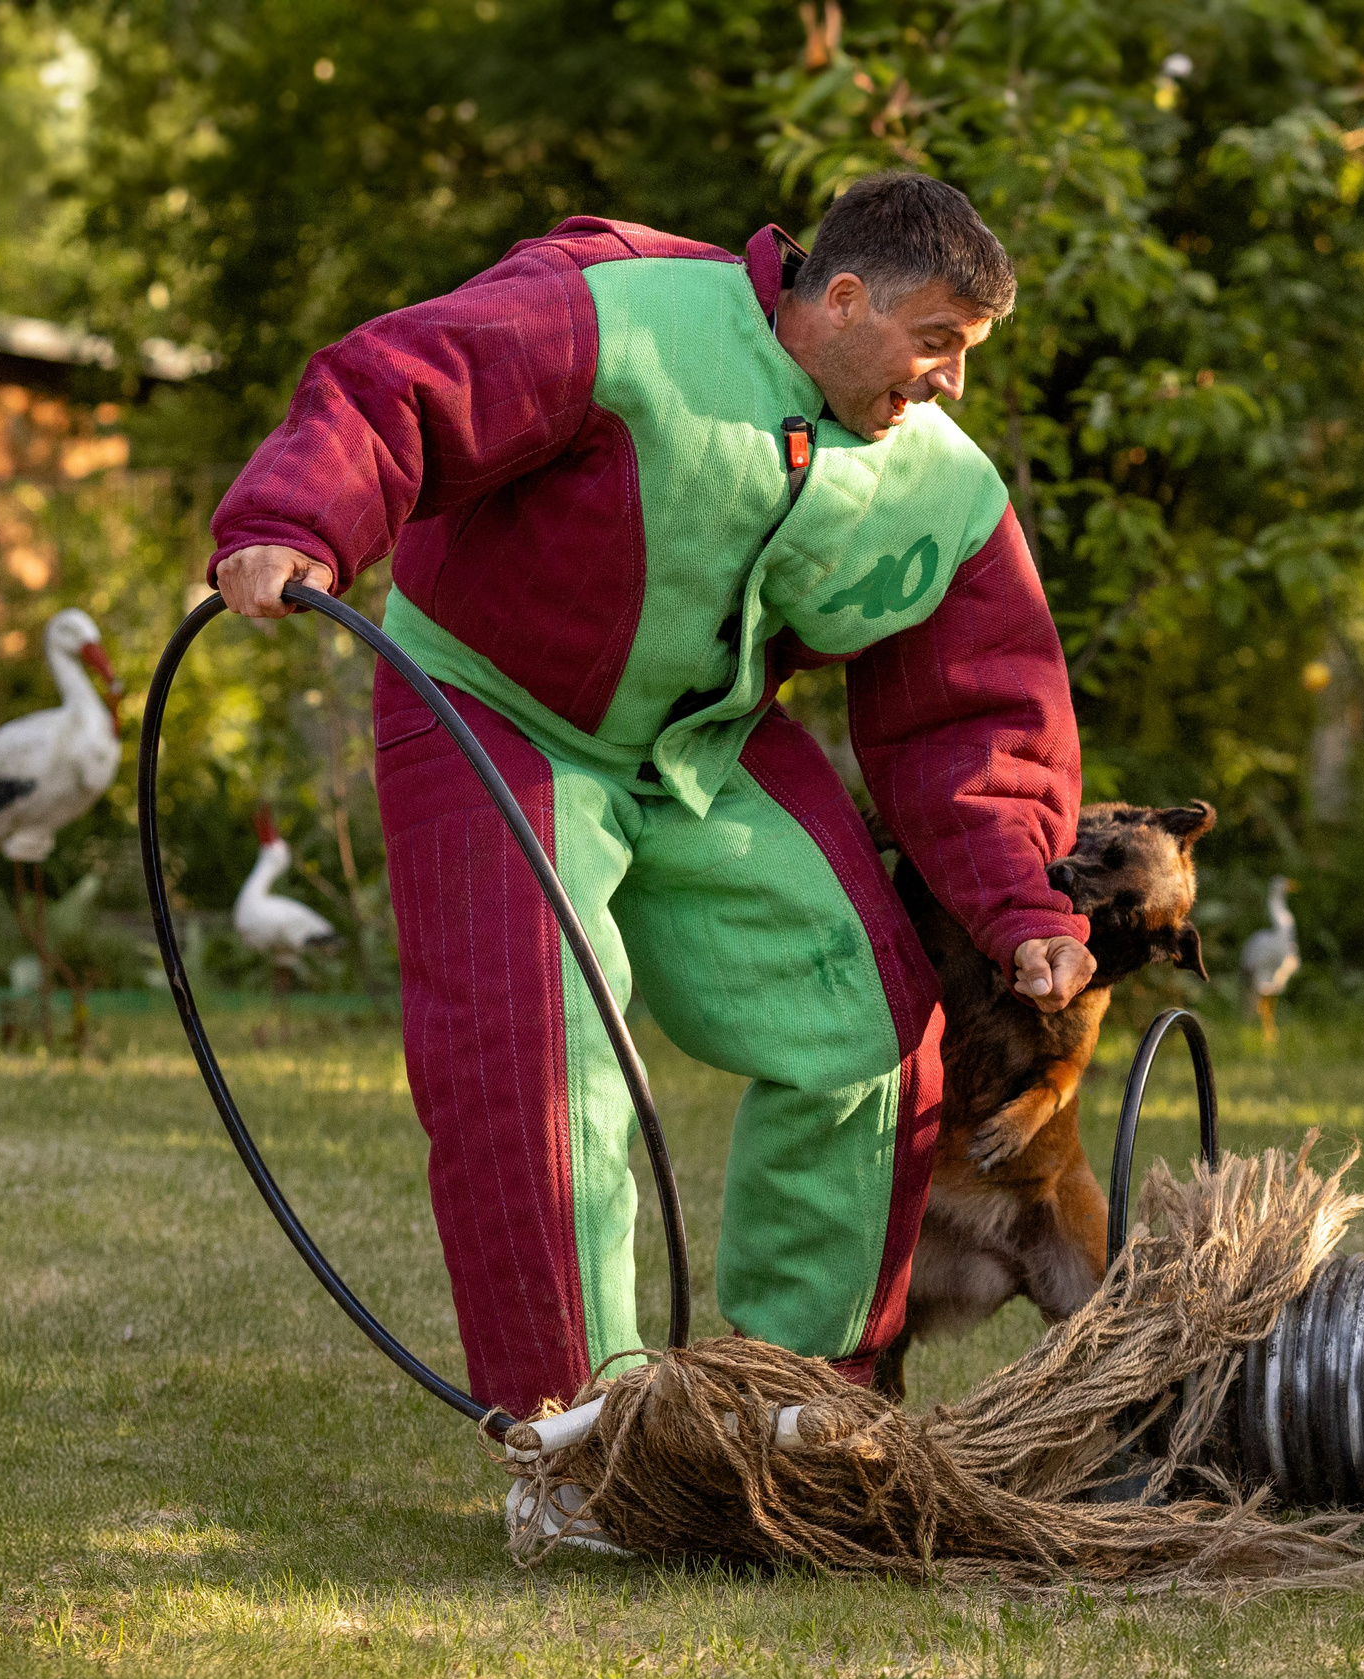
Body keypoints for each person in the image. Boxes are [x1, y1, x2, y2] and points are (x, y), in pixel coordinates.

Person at [209, 173, 1095, 1418]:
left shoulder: (943, 490)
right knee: (535, 1052)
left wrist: (1022, 907)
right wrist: (293, 518)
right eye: (939, 342)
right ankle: (570, 1437)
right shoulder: (619, 312)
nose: (953, 381)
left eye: (970, 353)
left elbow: (979, 714)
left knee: (864, 1020)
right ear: (845, 299)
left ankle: (805, 1403)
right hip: (494, 707)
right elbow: (401, 381)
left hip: (702, 742)